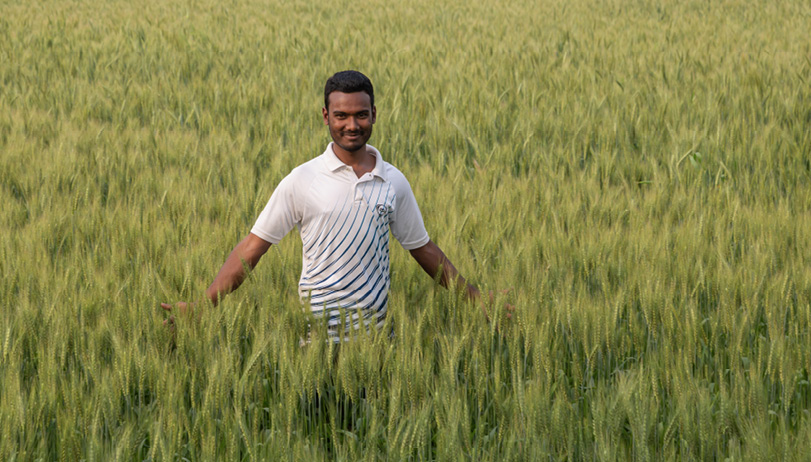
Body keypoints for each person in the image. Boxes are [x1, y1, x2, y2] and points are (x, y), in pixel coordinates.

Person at [161, 70, 503, 340]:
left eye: (361, 115)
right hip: (317, 342)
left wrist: (475, 299)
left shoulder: (393, 181)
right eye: (341, 115)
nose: (351, 125)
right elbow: (252, 248)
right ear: (325, 116)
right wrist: (202, 306)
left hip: (377, 340)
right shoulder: (302, 179)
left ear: (374, 115)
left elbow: (423, 249)